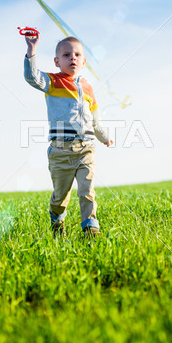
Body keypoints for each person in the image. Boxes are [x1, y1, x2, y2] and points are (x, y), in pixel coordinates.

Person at [24, 33, 113, 238]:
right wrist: (31, 50)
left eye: (77, 54)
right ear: (57, 61)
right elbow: (32, 77)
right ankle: (57, 221)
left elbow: (96, 121)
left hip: (86, 148)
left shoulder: (89, 88)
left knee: (87, 190)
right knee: (60, 196)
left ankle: (90, 228)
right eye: (66, 54)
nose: (72, 57)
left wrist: (104, 137)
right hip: (60, 151)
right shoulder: (53, 82)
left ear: (83, 61)